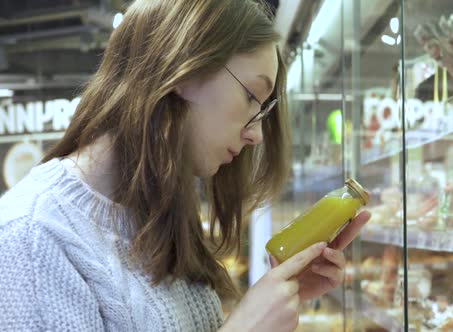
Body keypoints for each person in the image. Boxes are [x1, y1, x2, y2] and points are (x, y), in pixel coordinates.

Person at [0, 0, 371, 331]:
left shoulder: (154, 213)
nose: (256, 135)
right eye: (251, 97)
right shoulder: (29, 240)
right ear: (184, 67)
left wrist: (277, 296)